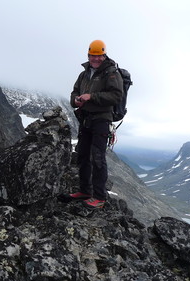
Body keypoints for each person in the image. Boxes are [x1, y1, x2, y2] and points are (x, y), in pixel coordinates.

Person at [63, 39, 123, 209]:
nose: (96, 59)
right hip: (86, 119)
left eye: (99, 56)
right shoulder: (84, 74)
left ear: (104, 55)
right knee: (82, 154)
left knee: (97, 157)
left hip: (102, 120)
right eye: (93, 56)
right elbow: (75, 91)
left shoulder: (111, 73)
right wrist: (75, 100)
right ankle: (85, 191)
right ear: (88, 55)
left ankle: (99, 197)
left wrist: (92, 97)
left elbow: (116, 96)